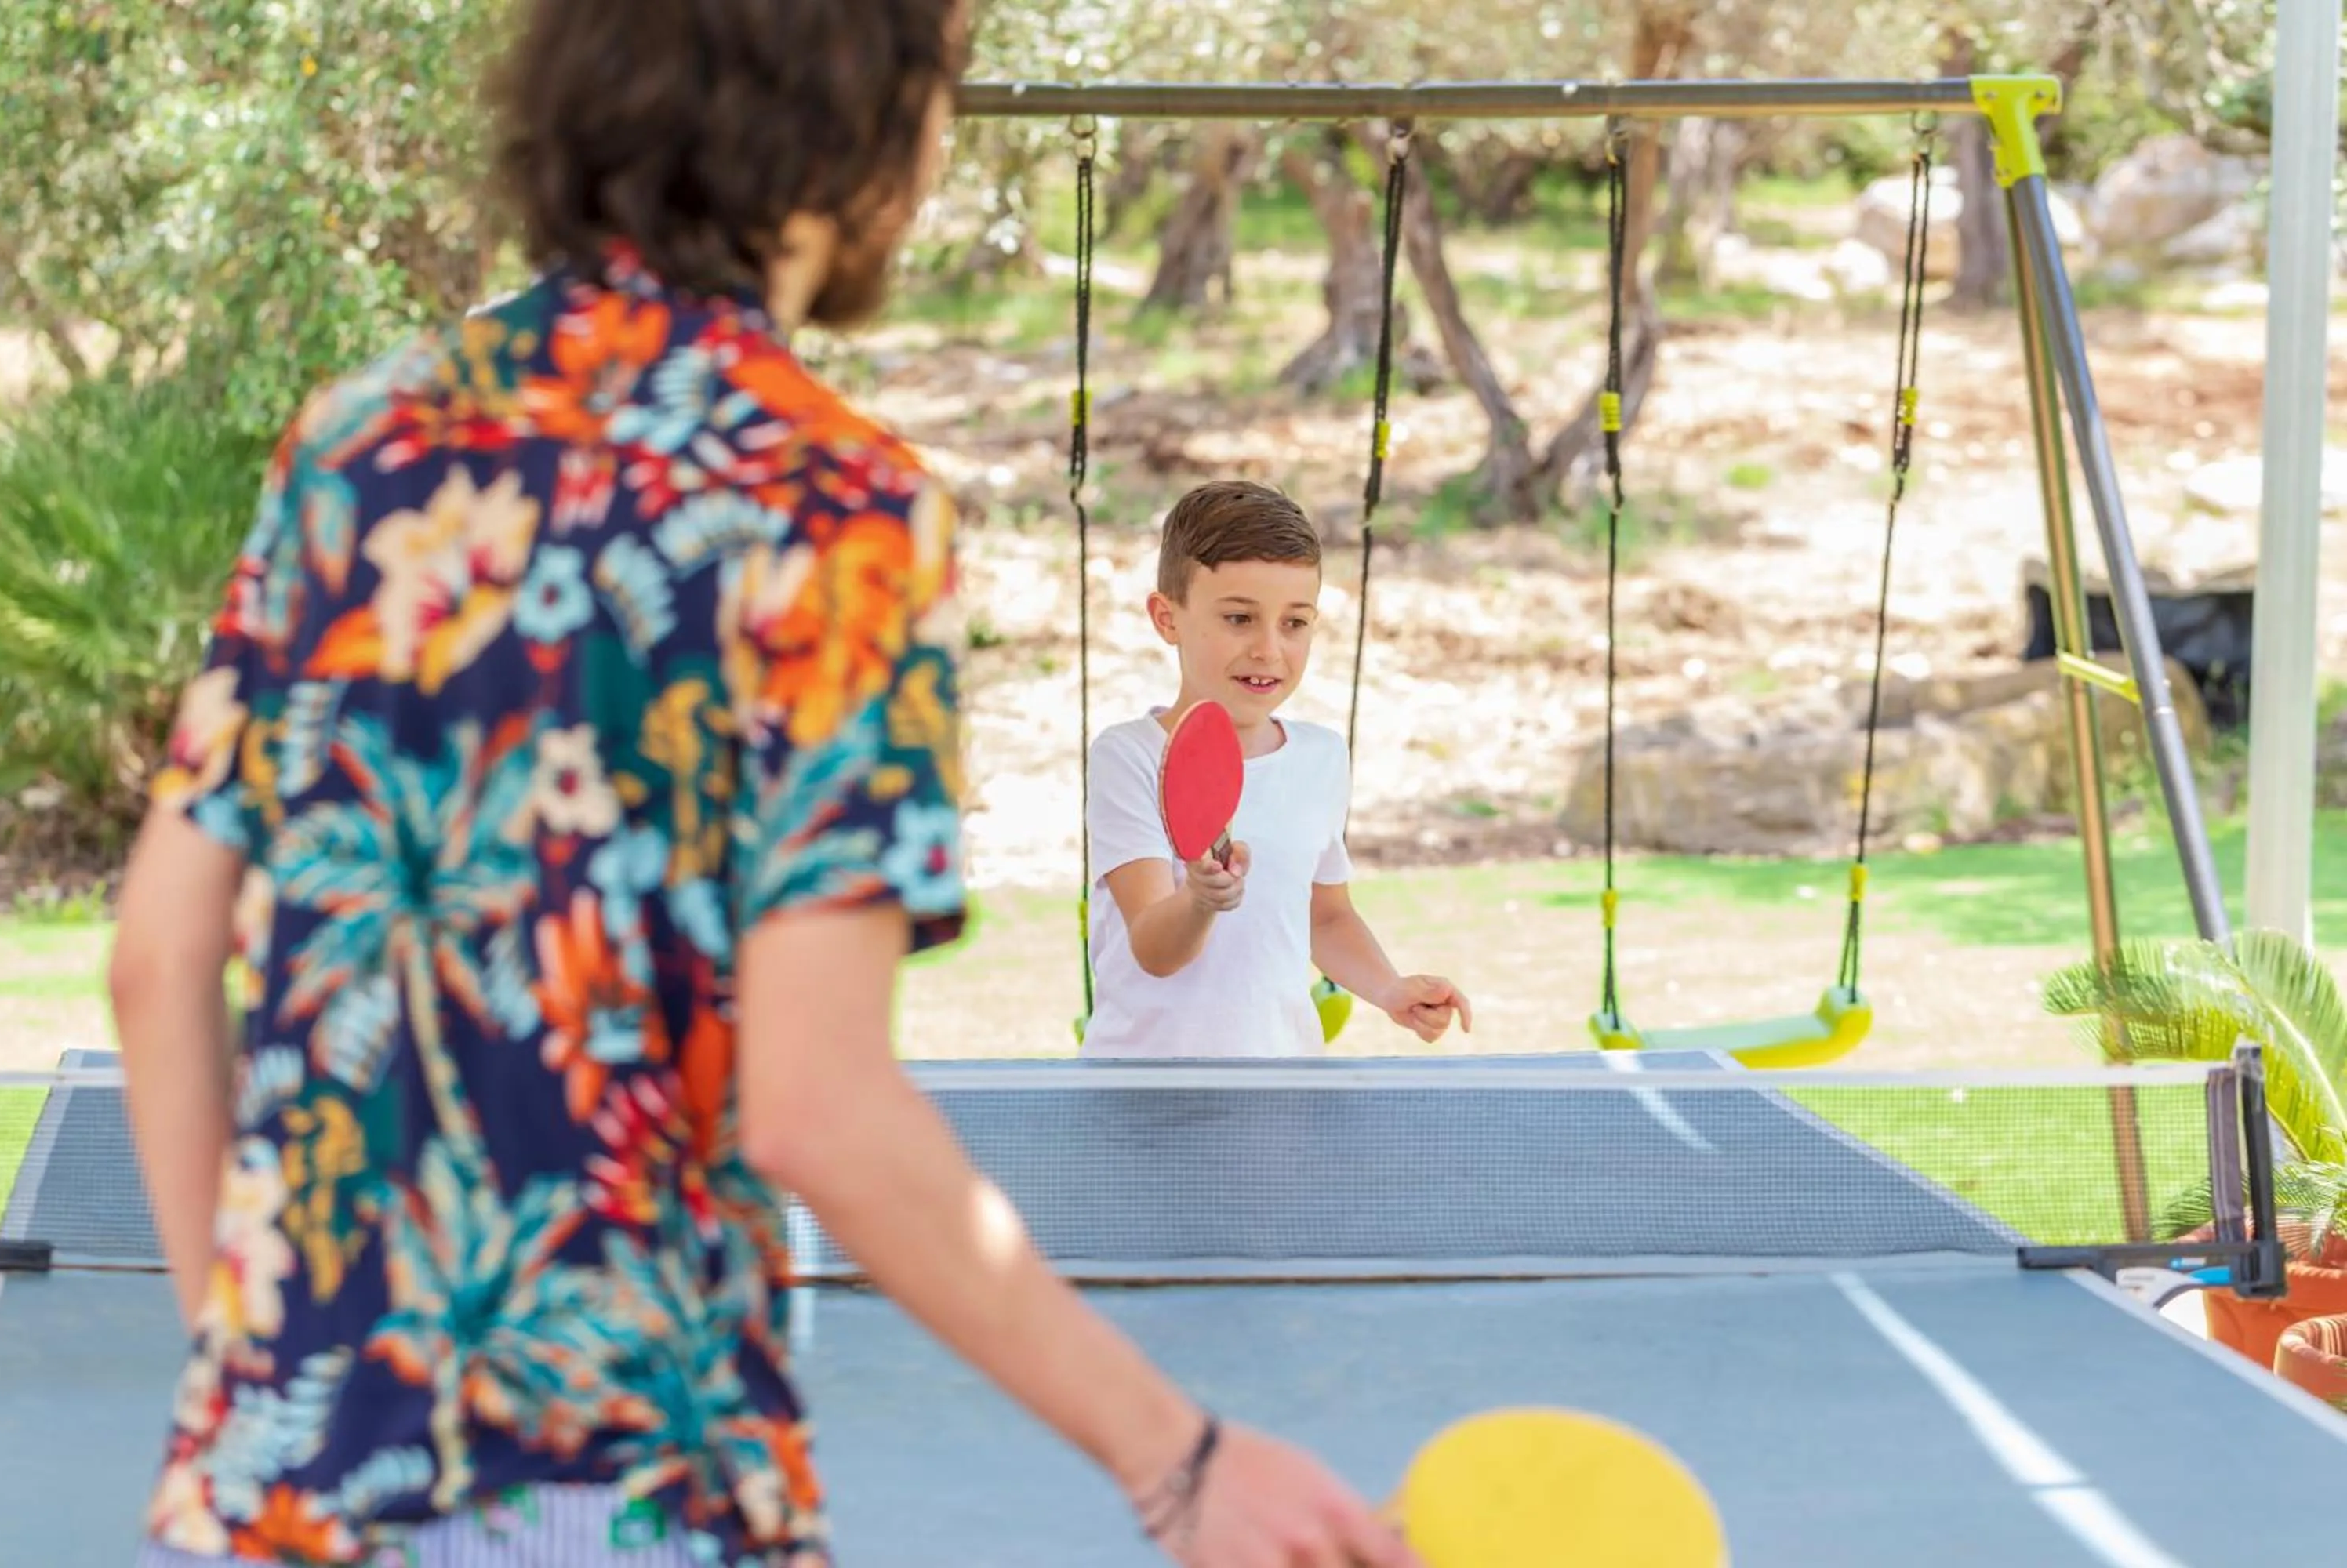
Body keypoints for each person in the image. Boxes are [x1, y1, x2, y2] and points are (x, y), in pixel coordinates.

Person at [104, 2, 1426, 1565]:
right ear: (853, 119)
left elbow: (157, 959)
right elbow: (818, 1105)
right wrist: (1178, 1457)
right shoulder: (827, 501)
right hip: (624, 1476)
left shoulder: (360, 440)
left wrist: (249, 1371)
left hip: (283, 1471)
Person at [1080, 480, 1473, 1059]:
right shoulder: (1129, 757)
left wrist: (1388, 988)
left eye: (1295, 623)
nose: (1269, 648)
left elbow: (1327, 915)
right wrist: (1201, 901)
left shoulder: (1321, 757)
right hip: (1145, 1096)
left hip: (1284, 1088)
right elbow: (1154, 950)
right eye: (1239, 618)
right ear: (1168, 618)